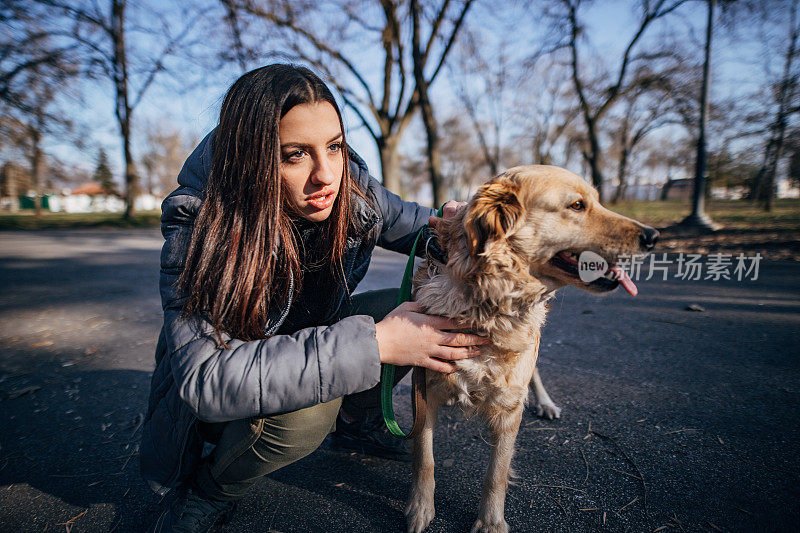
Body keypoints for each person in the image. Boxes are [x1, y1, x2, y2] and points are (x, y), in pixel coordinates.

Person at [140, 64, 487, 533]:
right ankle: (210, 489)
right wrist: (378, 344)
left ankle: (359, 426)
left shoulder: (353, 188)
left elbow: (415, 224)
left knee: (419, 312)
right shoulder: (203, 223)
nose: (326, 175)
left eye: (335, 146)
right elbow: (208, 378)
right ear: (251, 159)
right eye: (294, 155)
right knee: (309, 411)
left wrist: (459, 227)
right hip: (227, 399)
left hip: (310, 347)